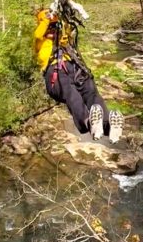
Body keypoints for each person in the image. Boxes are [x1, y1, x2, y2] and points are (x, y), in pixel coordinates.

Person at [33, 7, 123, 143]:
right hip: (55, 75)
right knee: (71, 94)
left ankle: (107, 126)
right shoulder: (40, 42)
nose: (52, 30)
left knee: (90, 90)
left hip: (73, 67)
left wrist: (63, 12)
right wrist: (47, 18)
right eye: (49, 27)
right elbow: (38, 34)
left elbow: (68, 27)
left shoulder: (63, 40)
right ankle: (87, 122)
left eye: (53, 26)